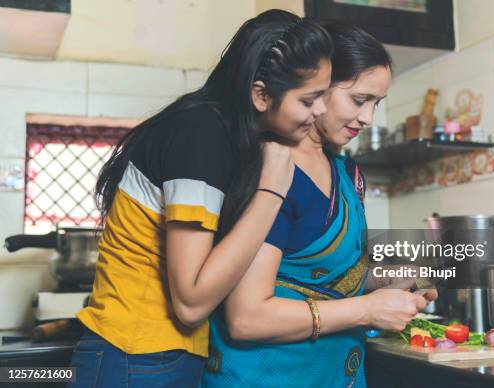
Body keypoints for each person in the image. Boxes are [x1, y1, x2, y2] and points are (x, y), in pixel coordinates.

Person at [69, 10, 333, 388]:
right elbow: (191, 302)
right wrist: (272, 192)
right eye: (309, 100)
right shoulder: (202, 137)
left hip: (156, 356)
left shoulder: (222, 136)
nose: (320, 111)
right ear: (260, 95)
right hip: (134, 355)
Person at [202, 22, 437, 388]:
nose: (368, 118)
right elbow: (247, 317)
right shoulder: (273, 172)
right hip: (266, 377)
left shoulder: (346, 174)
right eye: (359, 100)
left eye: (376, 104)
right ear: (319, 85)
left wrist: (387, 278)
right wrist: (368, 309)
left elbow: (309, 273)